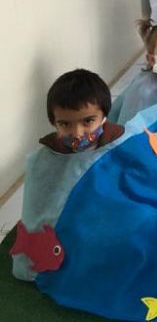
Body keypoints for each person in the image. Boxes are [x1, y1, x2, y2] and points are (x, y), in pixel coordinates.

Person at [12, 70, 125, 281]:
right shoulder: (42, 159)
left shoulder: (120, 144)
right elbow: (37, 213)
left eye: (88, 121)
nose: (78, 133)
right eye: (65, 124)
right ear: (54, 122)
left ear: (104, 116)